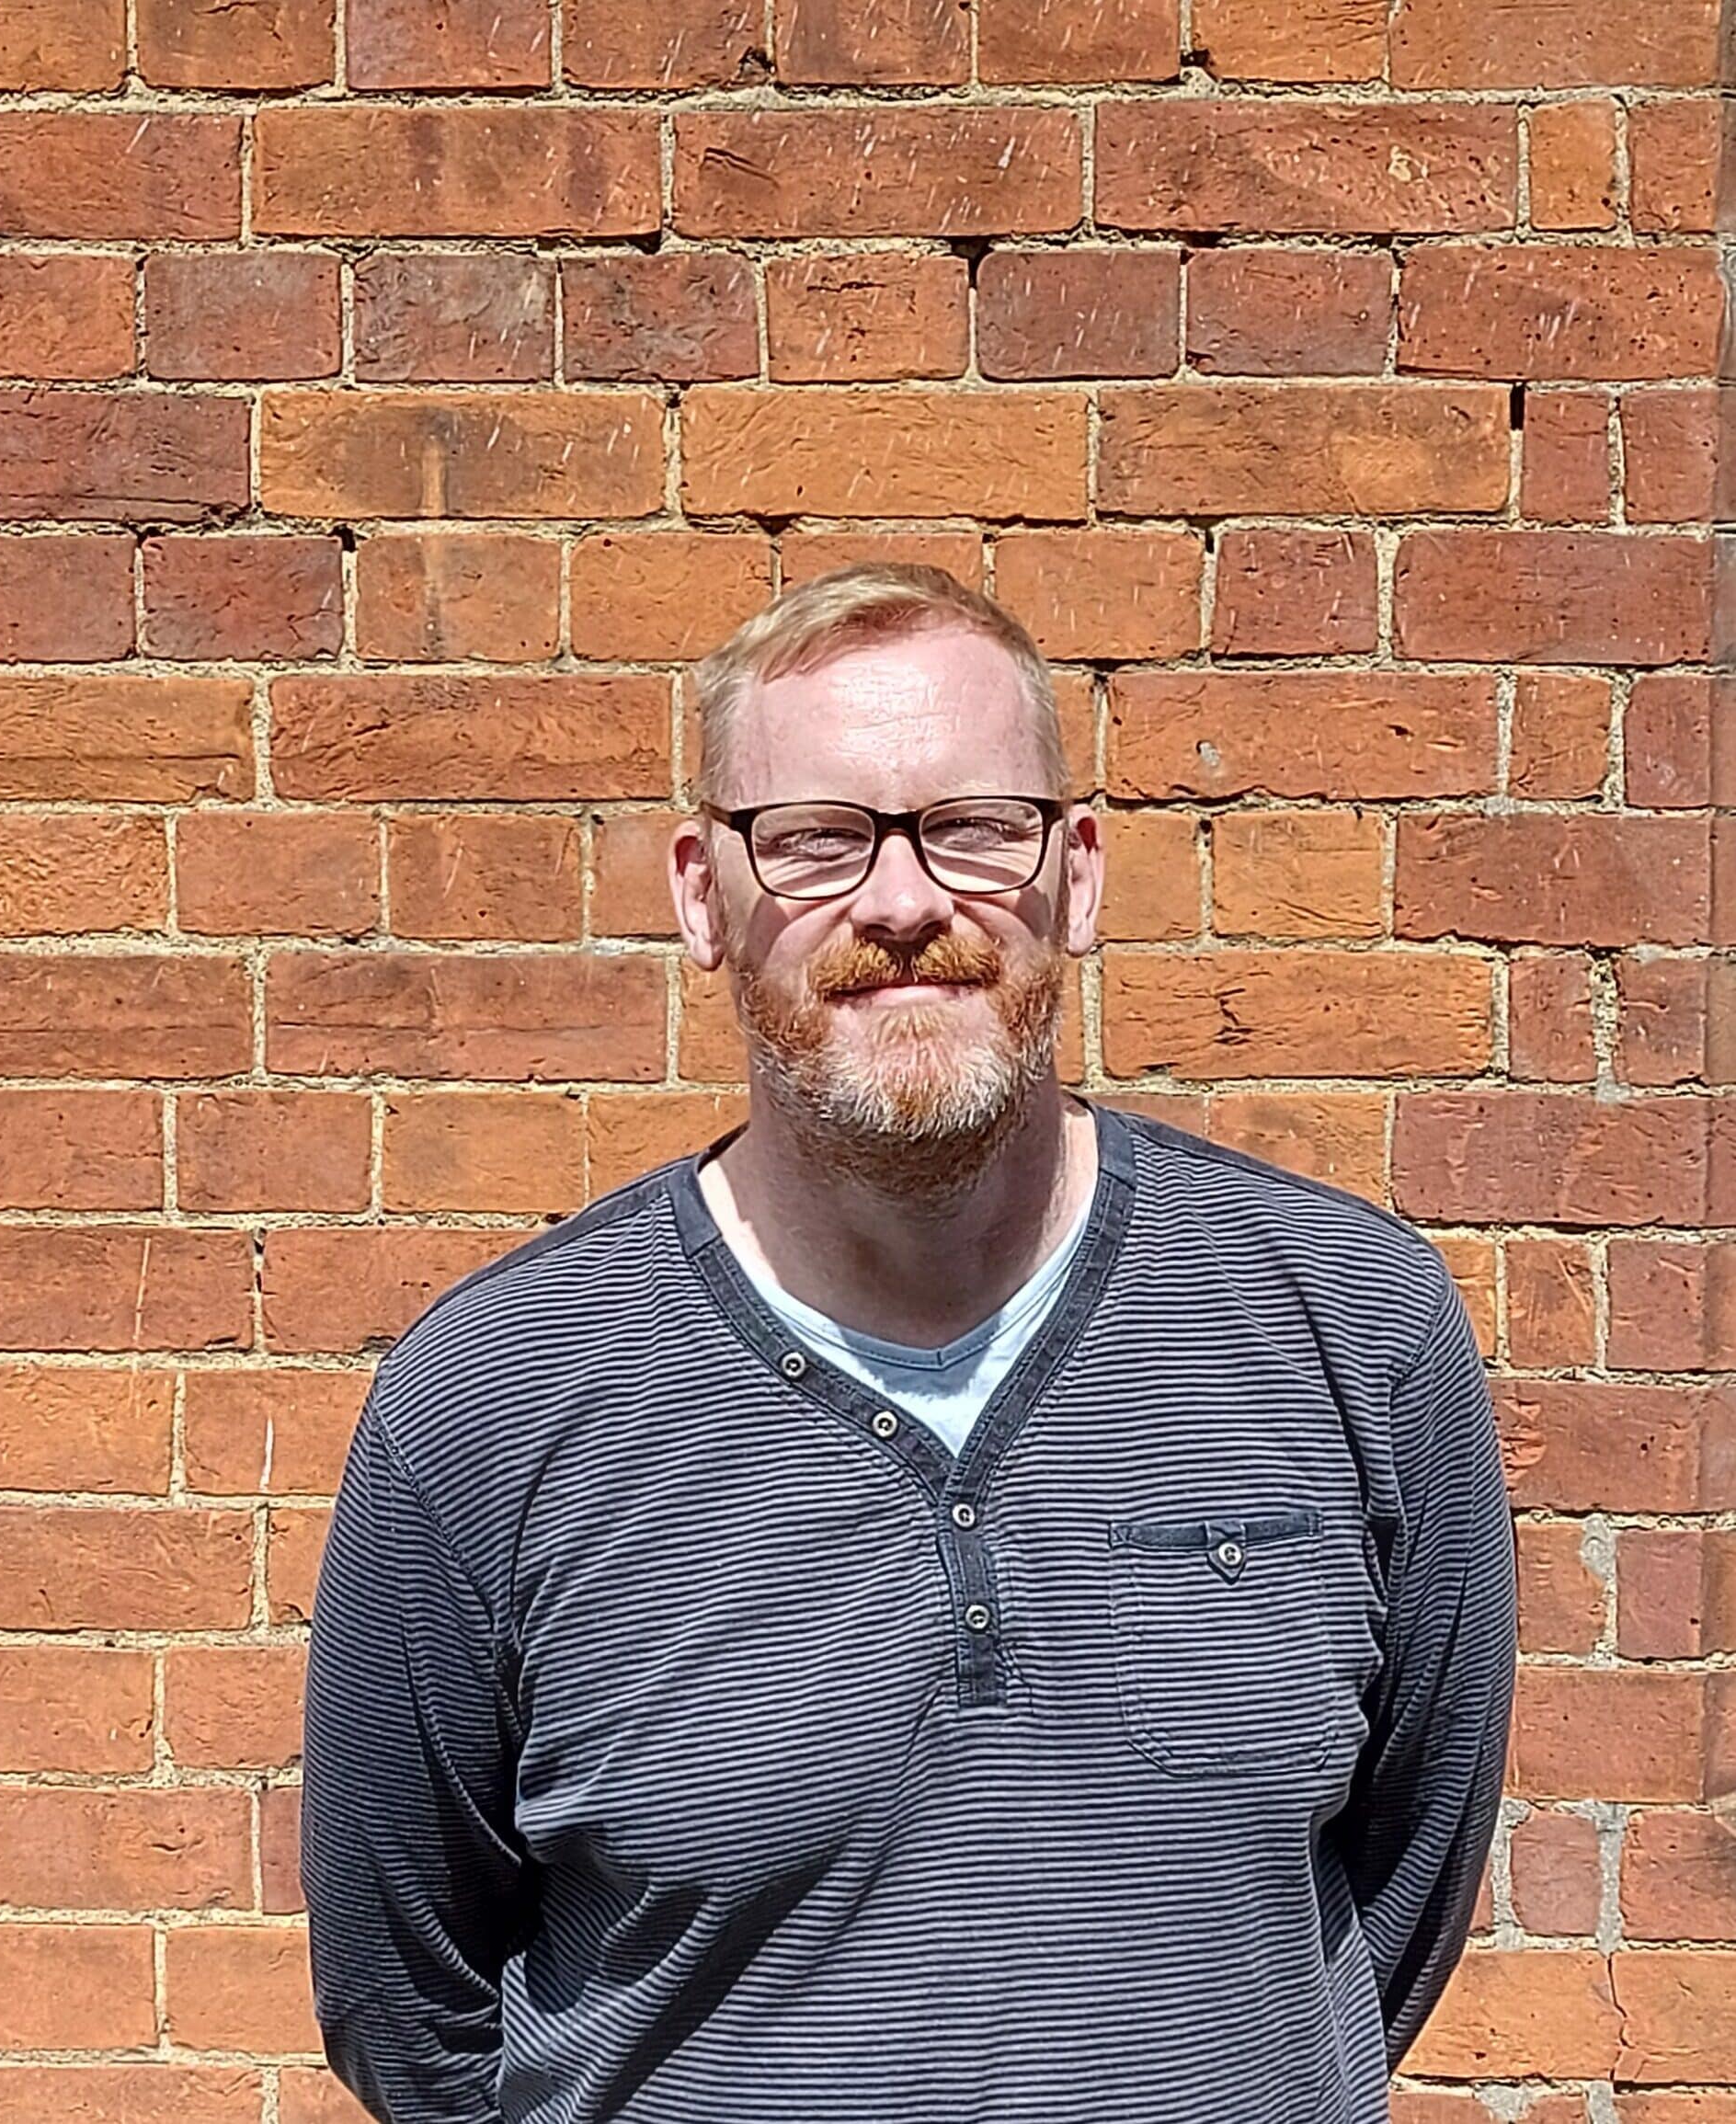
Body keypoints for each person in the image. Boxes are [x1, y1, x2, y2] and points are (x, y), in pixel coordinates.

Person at [300, 562, 1518, 2124]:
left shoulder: (1356, 1329)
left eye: (975, 825)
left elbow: (1386, 1911)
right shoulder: (488, 1402)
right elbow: (411, 2015)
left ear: (1076, 871)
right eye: (815, 835)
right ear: (699, 892)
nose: (901, 900)